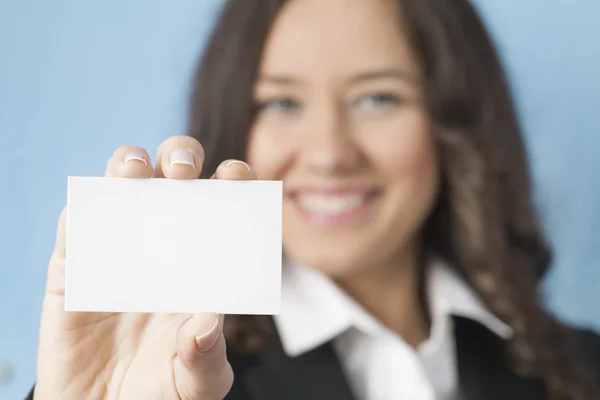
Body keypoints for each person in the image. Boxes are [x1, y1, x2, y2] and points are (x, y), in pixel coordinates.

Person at [25, 0, 600, 399]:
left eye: (377, 98)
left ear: (454, 124)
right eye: (281, 104)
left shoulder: (581, 369)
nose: (328, 153)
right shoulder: (172, 378)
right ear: (236, 127)